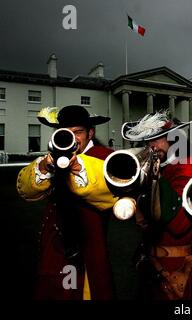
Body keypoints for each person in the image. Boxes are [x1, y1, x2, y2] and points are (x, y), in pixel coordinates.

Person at [16, 105, 116, 300]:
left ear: (90, 133)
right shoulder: (53, 156)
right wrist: (44, 166)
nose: (73, 138)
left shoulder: (105, 156)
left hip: (88, 247)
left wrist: (77, 166)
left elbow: (107, 187)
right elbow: (25, 189)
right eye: (67, 133)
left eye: (78, 132)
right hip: (55, 246)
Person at [121, 111, 192, 300]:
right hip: (154, 262)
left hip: (176, 267)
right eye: (147, 141)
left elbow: (179, 224)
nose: (151, 145)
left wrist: (155, 177)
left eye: (158, 139)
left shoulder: (190, 165)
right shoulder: (164, 165)